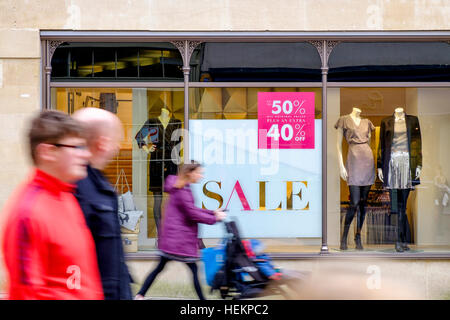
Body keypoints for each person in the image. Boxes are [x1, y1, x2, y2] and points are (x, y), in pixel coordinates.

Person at [1, 110, 104, 300]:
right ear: (47, 152)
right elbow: (27, 294)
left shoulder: (67, 197)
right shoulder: (28, 213)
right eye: (77, 147)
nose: (86, 155)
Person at [135, 161, 226, 300]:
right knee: (193, 270)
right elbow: (192, 214)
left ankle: (140, 295)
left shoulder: (182, 187)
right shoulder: (182, 191)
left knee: (160, 267)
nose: (201, 176)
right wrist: (215, 219)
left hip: (173, 240)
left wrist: (213, 212)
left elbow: (192, 209)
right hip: (178, 241)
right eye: (199, 173)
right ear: (190, 173)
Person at [72, 107, 133, 300]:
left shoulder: (99, 185)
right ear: (103, 143)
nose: (117, 147)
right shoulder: (77, 188)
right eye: (116, 141)